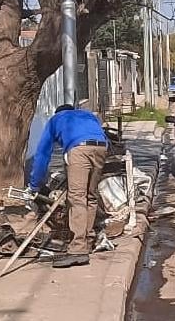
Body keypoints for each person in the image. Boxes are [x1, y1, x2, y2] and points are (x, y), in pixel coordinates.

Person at [28, 104, 108, 268]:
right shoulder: (87, 115)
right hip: (101, 147)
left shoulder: (55, 120)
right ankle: (88, 239)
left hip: (79, 149)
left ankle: (78, 249)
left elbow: (43, 154)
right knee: (91, 196)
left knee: (77, 198)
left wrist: (35, 185)